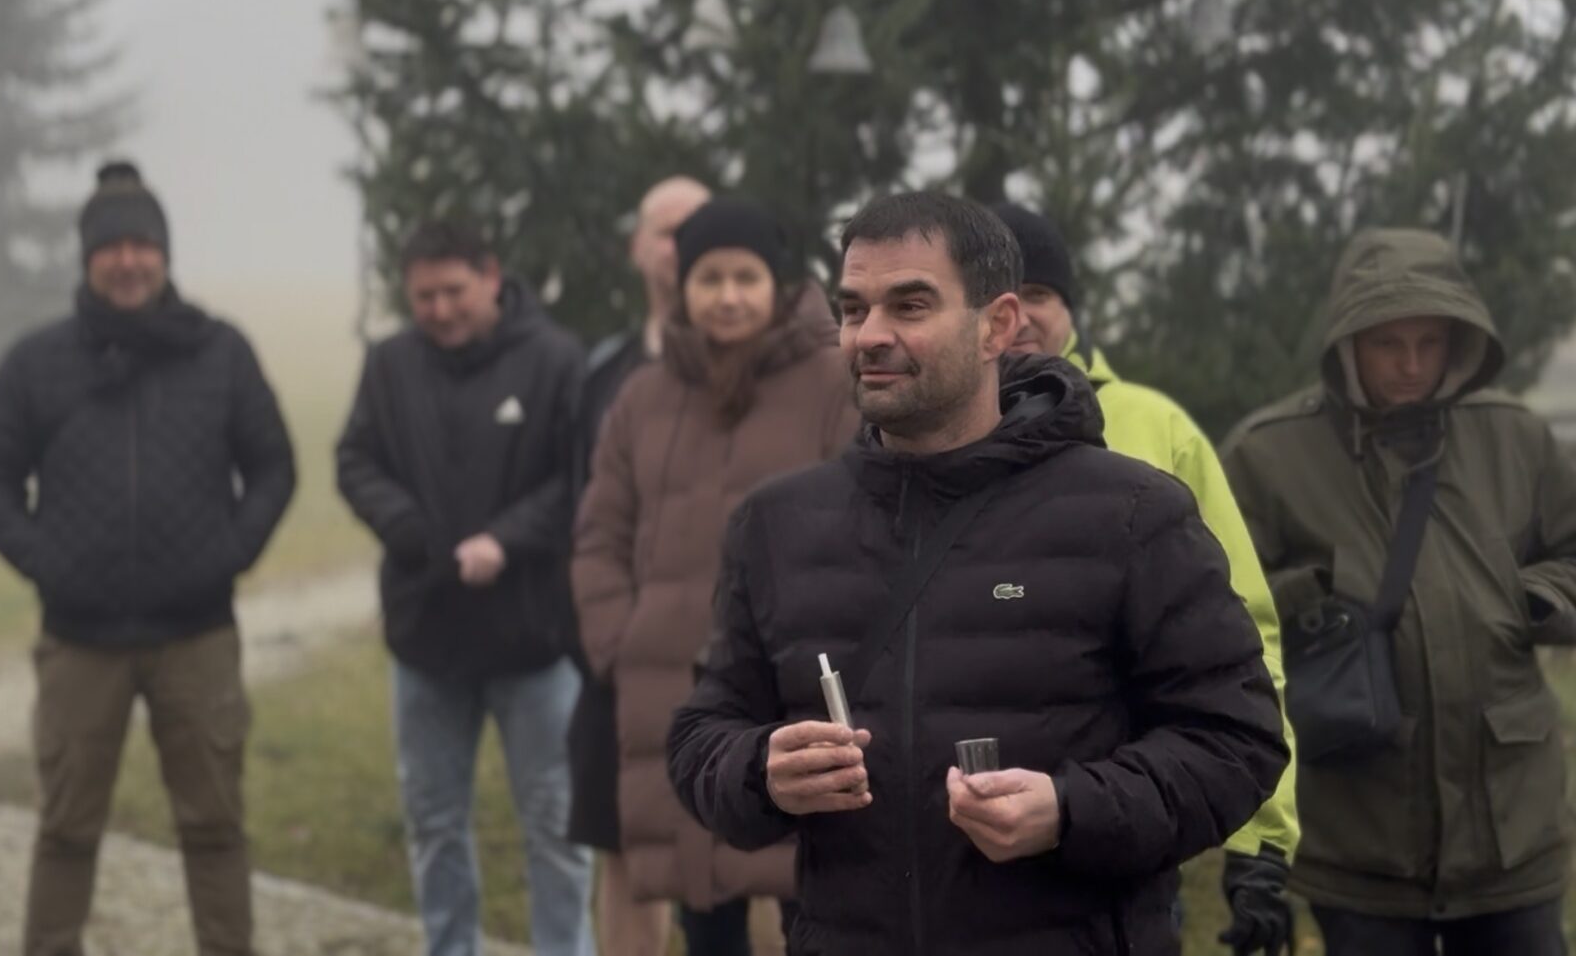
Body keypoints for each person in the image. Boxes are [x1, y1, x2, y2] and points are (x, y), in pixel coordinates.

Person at [667, 190, 1289, 954]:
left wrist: (1070, 808)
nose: (871, 335)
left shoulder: (1130, 513)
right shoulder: (776, 525)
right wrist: (760, 770)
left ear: (996, 325)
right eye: (853, 309)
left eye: (910, 305)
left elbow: (1237, 739)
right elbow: (701, 735)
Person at [0, 162, 296, 956]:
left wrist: (229, 552)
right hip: (80, 640)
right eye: (110, 247)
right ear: (87, 258)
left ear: (165, 254)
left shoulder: (221, 352)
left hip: (197, 635)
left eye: (142, 244)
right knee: (66, 830)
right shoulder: (38, 361)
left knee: (215, 826)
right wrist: (44, 559)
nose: (128, 261)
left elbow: (273, 466)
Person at [1220, 228, 1576, 956]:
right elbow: (1216, 620)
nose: (1411, 365)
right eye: (1388, 344)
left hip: (1512, 831)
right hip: (1359, 836)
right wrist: (1314, 601)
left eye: (1429, 342)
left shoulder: (1517, 438)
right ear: (1347, 340)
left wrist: (1530, 598)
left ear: (1459, 341)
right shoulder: (1267, 454)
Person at [991, 202, 1300, 954]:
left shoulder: (1157, 428)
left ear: (1070, 306)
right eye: (1001, 297)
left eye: (1040, 294)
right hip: (951, 837)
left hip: (1127, 827)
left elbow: (1243, 636)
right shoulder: (913, 440)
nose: (1021, 316)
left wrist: (1260, 838)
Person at [574, 198, 858, 955]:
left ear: (776, 283)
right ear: (684, 287)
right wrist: (620, 644)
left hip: (787, 686)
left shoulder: (835, 382)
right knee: (699, 902)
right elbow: (599, 533)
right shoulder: (644, 395)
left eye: (745, 277)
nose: (728, 296)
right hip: (667, 689)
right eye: (709, 278)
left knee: (799, 899)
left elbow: (867, 520)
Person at [336, 220, 592, 956]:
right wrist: (406, 526)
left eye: (454, 291)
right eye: (424, 297)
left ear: (491, 278)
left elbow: (580, 479)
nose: (440, 309)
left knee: (555, 828)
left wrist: (505, 541)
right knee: (434, 825)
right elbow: (355, 460)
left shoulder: (556, 359)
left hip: (535, 642)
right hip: (425, 640)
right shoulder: (389, 364)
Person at [571, 175, 710, 956]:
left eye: (696, 226)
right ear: (636, 248)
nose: (680, 245)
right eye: (665, 230)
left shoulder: (776, 373)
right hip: (624, 665)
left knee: (760, 872)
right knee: (624, 862)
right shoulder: (603, 375)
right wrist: (607, 641)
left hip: (731, 658)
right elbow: (582, 520)